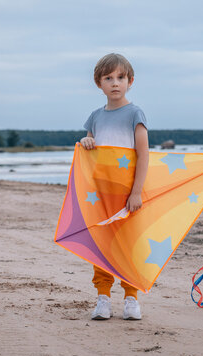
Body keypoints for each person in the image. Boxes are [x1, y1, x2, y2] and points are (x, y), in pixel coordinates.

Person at [79, 53, 149, 320]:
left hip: (127, 194)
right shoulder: (95, 117)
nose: (115, 83)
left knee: (127, 246)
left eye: (120, 78)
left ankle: (131, 297)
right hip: (100, 194)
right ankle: (103, 297)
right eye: (108, 78)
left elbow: (143, 154)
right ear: (99, 83)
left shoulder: (135, 113)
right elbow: (91, 148)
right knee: (101, 246)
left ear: (130, 81)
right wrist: (86, 142)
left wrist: (136, 192)